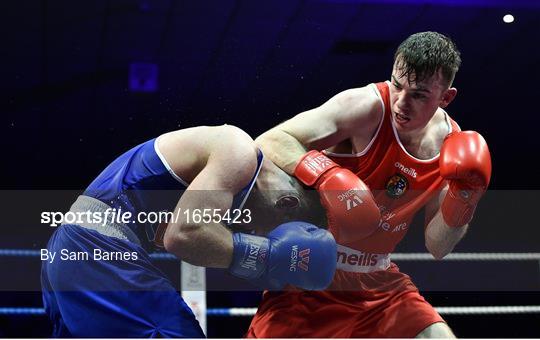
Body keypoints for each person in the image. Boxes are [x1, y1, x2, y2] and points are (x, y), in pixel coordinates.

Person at [248, 31, 492, 338]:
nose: (401, 103)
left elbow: (438, 246)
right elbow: (270, 141)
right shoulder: (364, 106)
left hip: (379, 284)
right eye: (397, 85)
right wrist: (327, 176)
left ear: (446, 97)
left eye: (418, 95)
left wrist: (464, 199)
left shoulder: (452, 149)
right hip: (312, 274)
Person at [40, 125, 337, 337]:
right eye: (273, 230)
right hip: (95, 248)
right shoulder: (238, 149)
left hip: (75, 251)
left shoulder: (227, 188)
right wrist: (270, 255)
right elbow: (183, 235)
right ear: (287, 200)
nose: (259, 233)